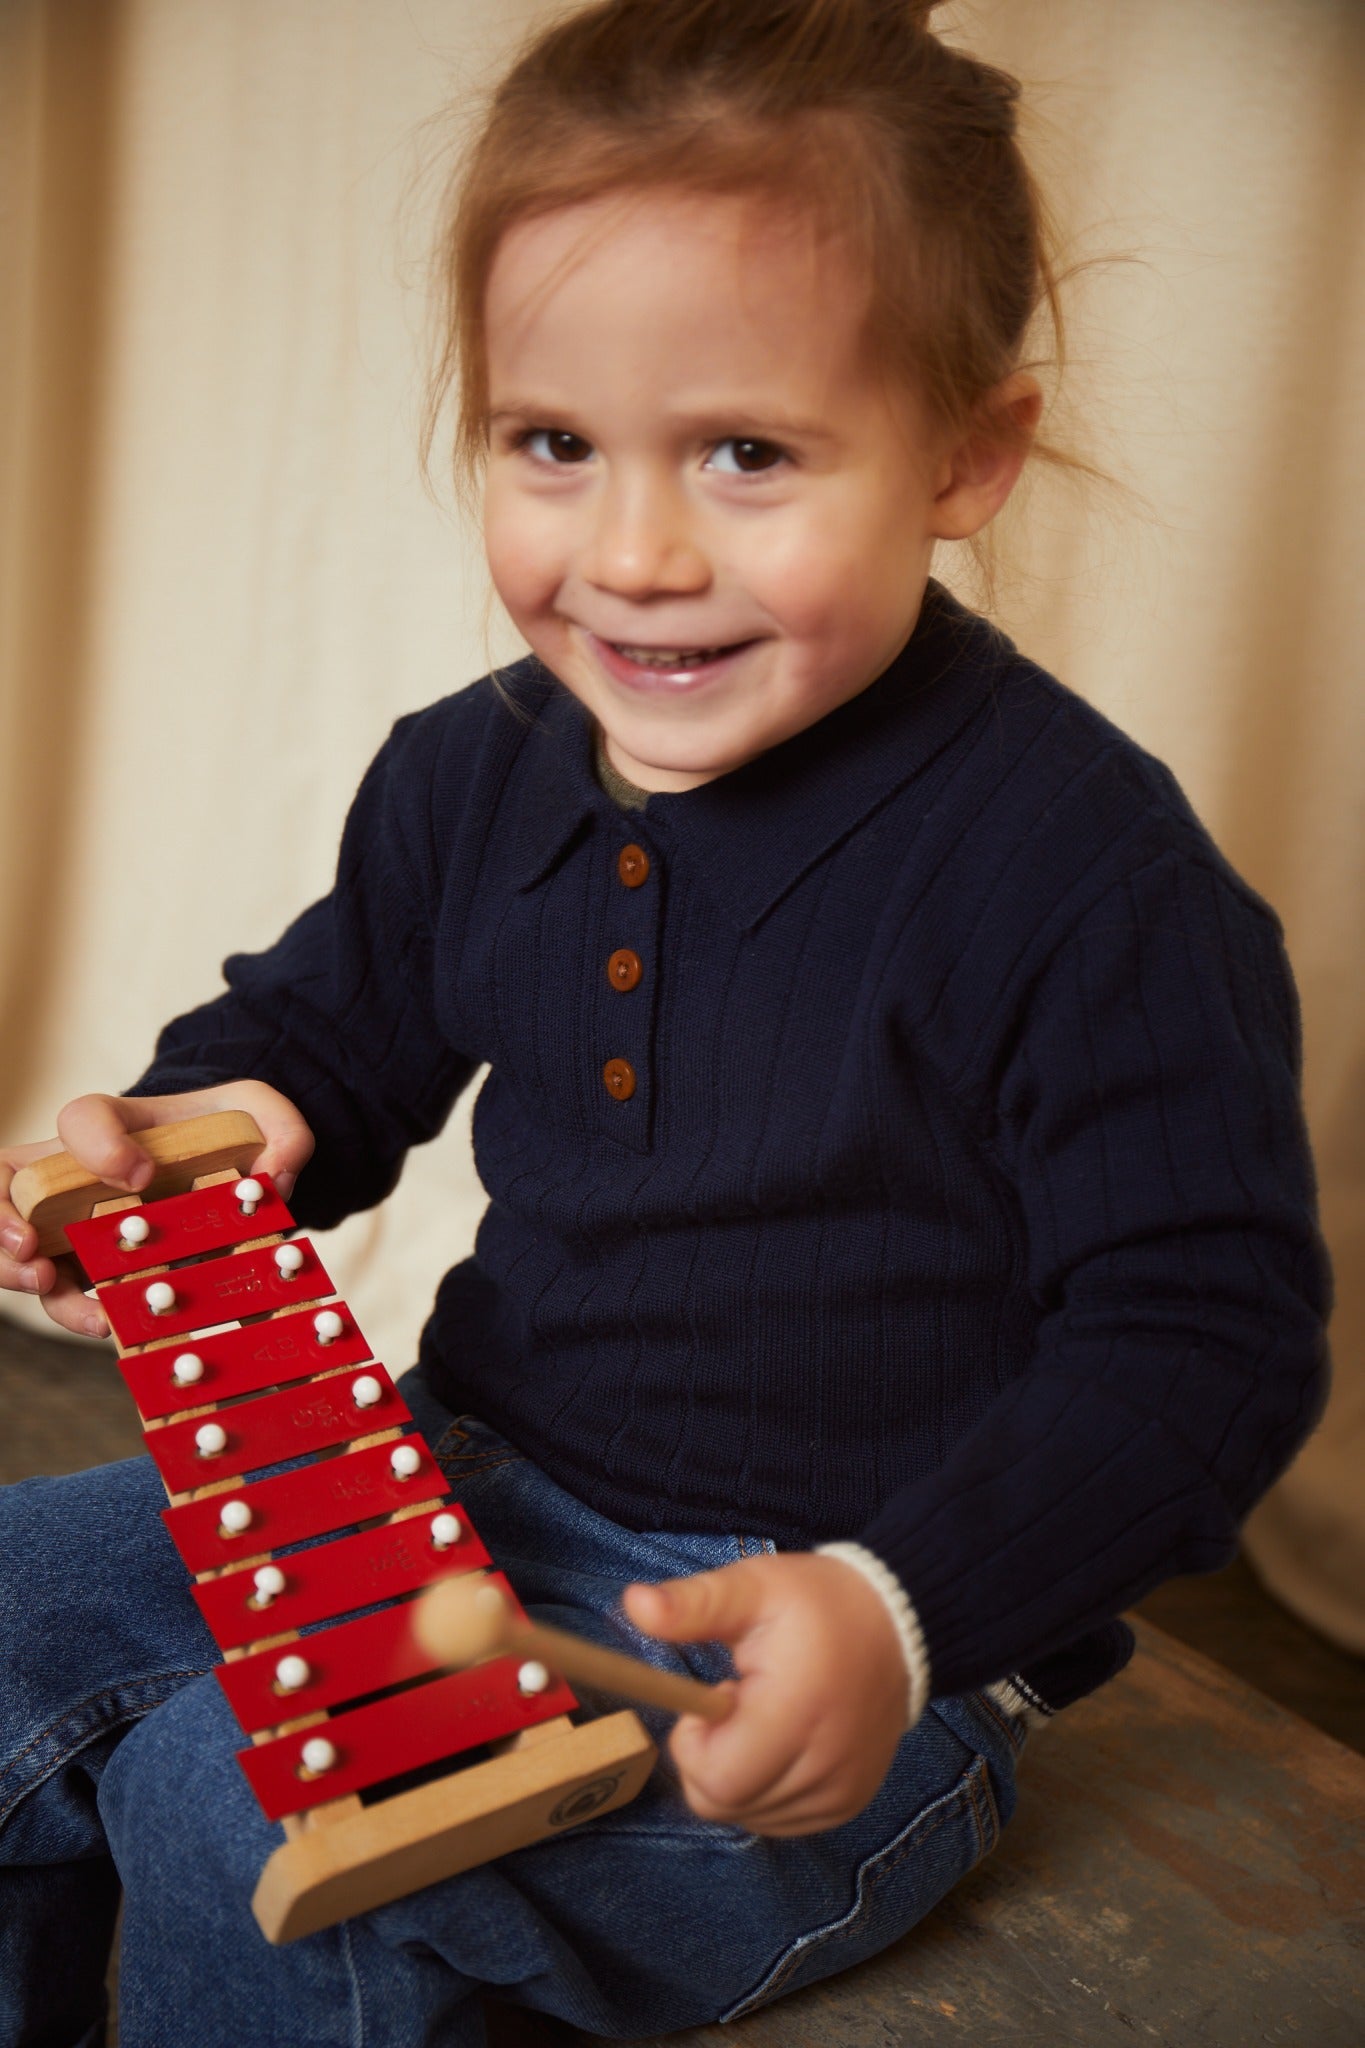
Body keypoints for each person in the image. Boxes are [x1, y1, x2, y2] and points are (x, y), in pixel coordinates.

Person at [0, 2, 1331, 2043]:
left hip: (814, 1658)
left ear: (966, 451)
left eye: (745, 452)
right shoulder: (470, 771)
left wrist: (900, 1614)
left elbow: (1199, 1342)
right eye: (553, 443)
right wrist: (194, 1137)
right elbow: (332, 1034)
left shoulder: (1084, 877)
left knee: (235, 1801)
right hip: (436, 1487)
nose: (629, 553)